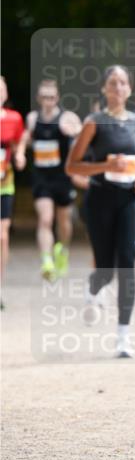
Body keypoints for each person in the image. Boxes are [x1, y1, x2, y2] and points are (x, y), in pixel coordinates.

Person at [66, 65, 135, 358]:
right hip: (99, 200)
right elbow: (72, 166)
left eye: (123, 83)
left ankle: (123, 337)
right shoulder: (94, 122)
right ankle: (93, 290)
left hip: (129, 200)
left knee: (127, 264)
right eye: (112, 83)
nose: (117, 88)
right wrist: (104, 166)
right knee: (104, 268)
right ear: (104, 89)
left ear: (129, 89)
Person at [14, 79, 82, 280]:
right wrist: (20, 153)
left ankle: (62, 251)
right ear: (38, 98)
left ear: (57, 98)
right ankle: (47, 261)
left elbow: (82, 134)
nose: (48, 101)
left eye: (51, 97)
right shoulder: (33, 119)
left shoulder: (67, 117)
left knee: (64, 222)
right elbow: (25, 138)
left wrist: (75, 132)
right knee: (45, 219)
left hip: (62, 178)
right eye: (44, 97)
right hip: (41, 178)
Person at [0, 76, 25, 308]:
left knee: (2, 236)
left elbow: (19, 143)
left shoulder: (14, 118)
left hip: (4, 183)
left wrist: (19, 155)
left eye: (1, 90)